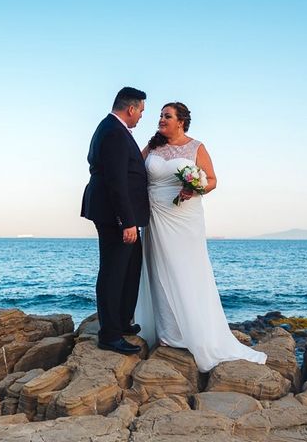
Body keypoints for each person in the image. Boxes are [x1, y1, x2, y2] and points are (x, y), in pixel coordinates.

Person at [134, 102, 267, 372]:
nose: (161, 119)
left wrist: (195, 188)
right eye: (160, 115)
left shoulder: (196, 147)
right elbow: (135, 170)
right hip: (155, 215)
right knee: (158, 269)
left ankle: (193, 330)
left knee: (186, 270)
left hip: (184, 216)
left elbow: (213, 180)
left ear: (181, 121)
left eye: (166, 116)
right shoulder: (153, 146)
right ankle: (167, 331)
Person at [81, 87, 150, 355]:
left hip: (121, 214)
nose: (141, 117)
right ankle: (109, 334)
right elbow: (116, 182)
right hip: (115, 216)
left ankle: (121, 321)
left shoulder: (114, 129)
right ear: (131, 108)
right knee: (113, 272)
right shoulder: (113, 132)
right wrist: (126, 221)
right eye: (141, 111)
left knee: (131, 267)